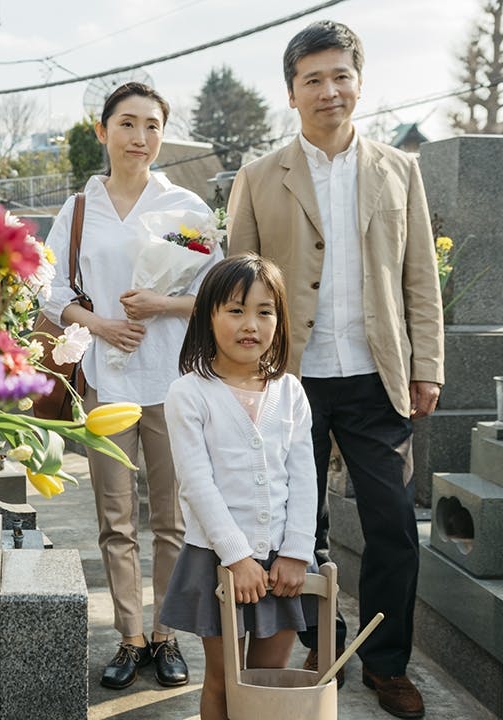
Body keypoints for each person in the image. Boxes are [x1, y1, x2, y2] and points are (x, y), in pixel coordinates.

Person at [227, 20, 445, 719]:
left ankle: (387, 664)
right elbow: (239, 289)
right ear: (291, 92)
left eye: (340, 76)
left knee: (392, 525)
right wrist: (244, 377)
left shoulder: (397, 169)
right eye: (312, 79)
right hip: (289, 378)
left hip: (377, 376)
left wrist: (428, 366)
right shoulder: (259, 178)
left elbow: (420, 279)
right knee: (300, 526)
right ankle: (326, 647)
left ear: (359, 82)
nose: (329, 90)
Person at [41, 81, 221, 690]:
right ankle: (129, 636)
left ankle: (167, 635)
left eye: (151, 125)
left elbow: (216, 297)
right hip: (105, 381)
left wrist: (161, 303)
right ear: (103, 131)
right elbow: (51, 291)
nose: (139, 137)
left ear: (162, 135)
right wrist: (100, 324)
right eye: (126, 123)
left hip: (174, 383)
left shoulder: (188, 208)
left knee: (171, 520)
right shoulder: (79, 209)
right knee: (115, 519)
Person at [161, 253, 317, 720]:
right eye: (235, 310)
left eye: (264, 311)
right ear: (208, 316)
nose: (251, 324)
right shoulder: (189, 393)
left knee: (271, 685)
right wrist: (236, 556)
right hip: (220, 560)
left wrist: (297, 552)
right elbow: (196, 483)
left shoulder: (289, 391)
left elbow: (305, 476)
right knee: (226, 683)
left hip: (284, 564)